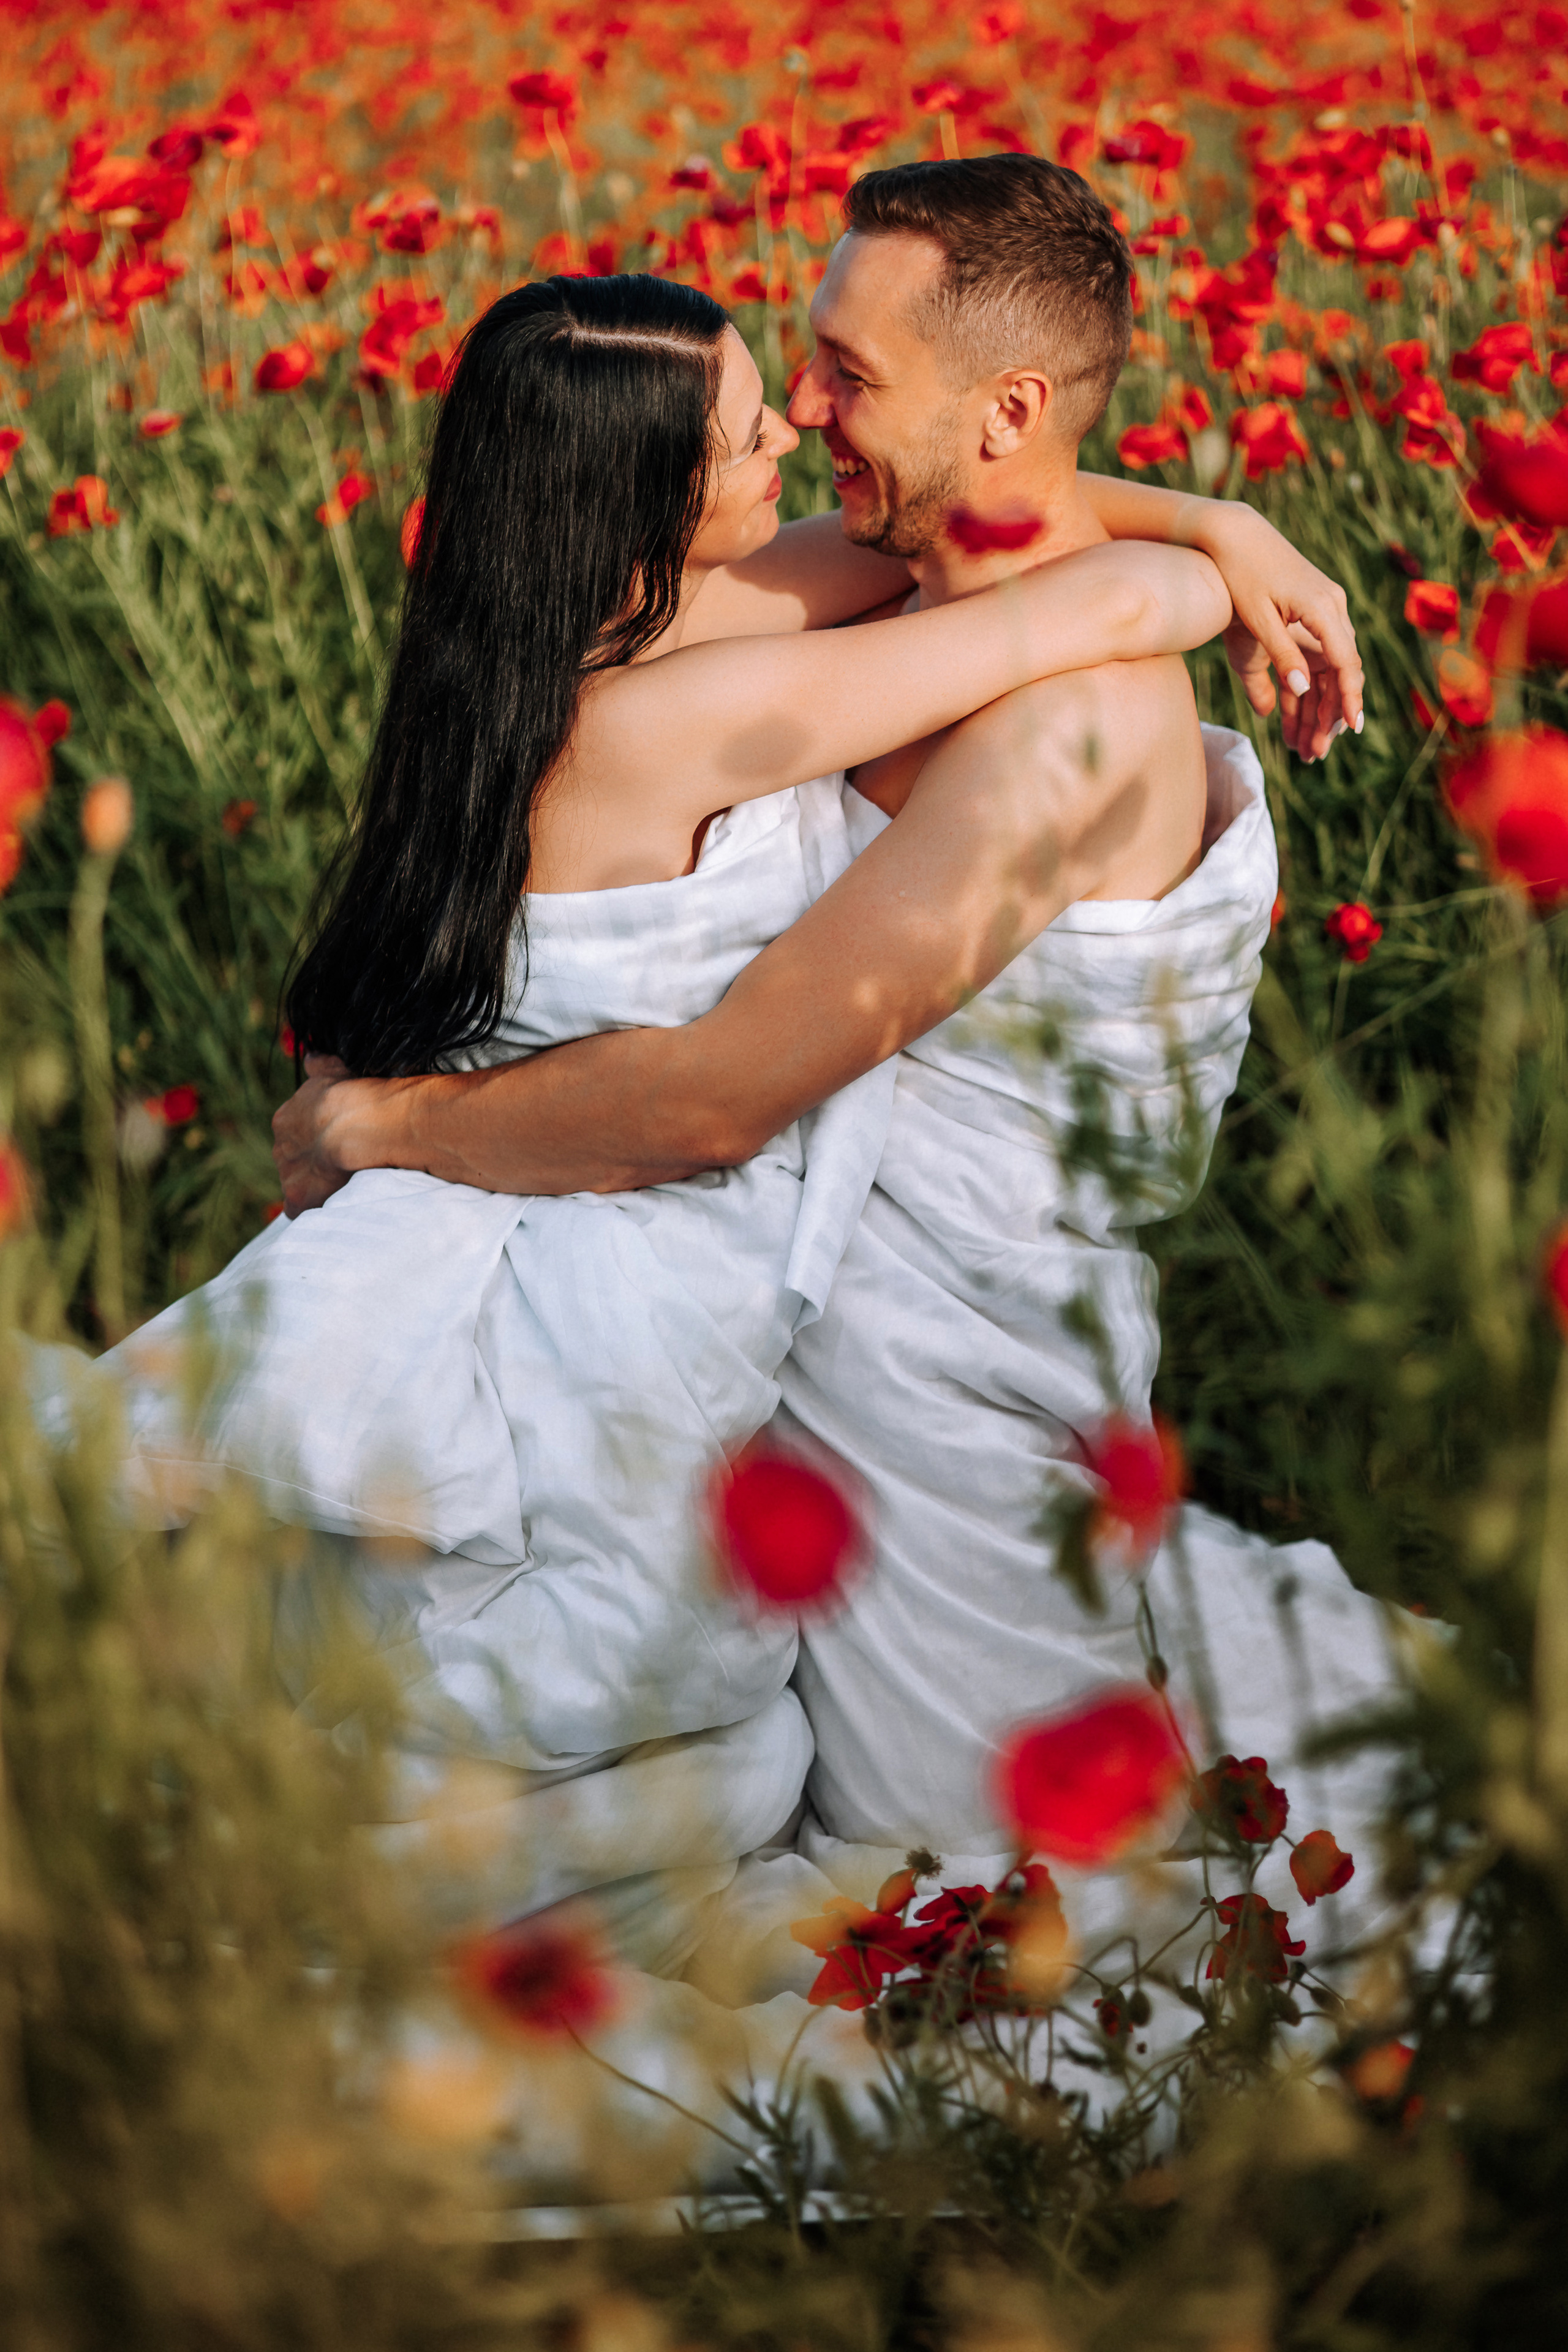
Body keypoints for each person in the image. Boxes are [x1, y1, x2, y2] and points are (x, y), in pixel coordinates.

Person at [37, 259, 1250, 1969]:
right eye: (759, 429)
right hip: (626, 1256)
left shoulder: (569, 641)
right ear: (651, 498)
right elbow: (1100, 610)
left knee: (634, 1725)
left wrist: (1224, 513)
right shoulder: (684, 711)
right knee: (676, 1729)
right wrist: (1234, 557)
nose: (797, 432)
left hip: (550, 1231)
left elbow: (962, 531)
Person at [270, 159, 1390, 1991]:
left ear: (1005, 407)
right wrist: (1222, 533)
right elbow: (1014, 556)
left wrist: (382, 1126)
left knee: (1005, 1897)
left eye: (845, 378)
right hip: (725, 1348)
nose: (803, 413)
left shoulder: (1068, 719)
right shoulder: (848, 603)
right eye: (793, 379)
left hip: (937, 1397)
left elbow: (725, 1092)